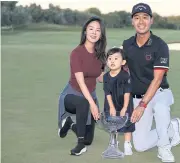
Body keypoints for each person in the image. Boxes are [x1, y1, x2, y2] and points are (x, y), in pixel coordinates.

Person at [121, 3, 180, 162]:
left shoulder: (160, 45)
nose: (141, 21)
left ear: (151, 20)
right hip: (137, 97)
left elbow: (158, 79)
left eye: (145, 17)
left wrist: (142, 105)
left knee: (161, 108)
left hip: (160, 93)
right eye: (137, 18)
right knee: (140, 145)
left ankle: (164, 148)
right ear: (132, 21)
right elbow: (123, 70)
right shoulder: (127, 44)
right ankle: (171, 128)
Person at [57, 16, 106, 156]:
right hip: (71, 95)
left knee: (88, 139)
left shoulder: (101, 55)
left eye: (98, 30)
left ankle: (69, 124)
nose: (94, 32)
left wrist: (114, 70)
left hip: (90, 95)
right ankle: (79, 145)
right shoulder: (76, 53)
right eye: (91, 29)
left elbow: (100, 78)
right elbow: (81, 82)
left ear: (101, 34)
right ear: (85, 31)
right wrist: (93, 104)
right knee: (85, 103)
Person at [103, 47, 135, 156]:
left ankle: (127, 143)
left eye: (116, 58)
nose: (112, 61)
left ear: (123, 62)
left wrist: (125, 108)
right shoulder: (106, 77)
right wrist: (111, 107)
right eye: (110, 58)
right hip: (111, 102)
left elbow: (127, 93)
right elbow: (107, 93)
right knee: (112, 122)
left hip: (124, 102)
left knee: (127, 123)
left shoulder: (125, 76)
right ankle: (114, 142)